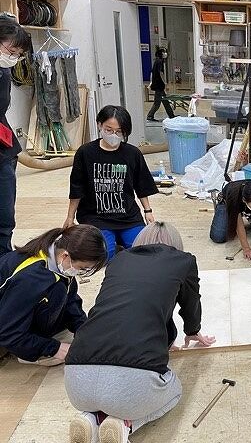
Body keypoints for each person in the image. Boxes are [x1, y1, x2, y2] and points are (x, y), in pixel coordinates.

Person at [65, 222, 214, 443]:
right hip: (133, 381)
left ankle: (90, 418)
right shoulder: (184, 261)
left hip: (76, 380)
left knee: (107, 393)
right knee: (174, 391)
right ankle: (126, 425)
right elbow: (191, 302)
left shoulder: (119, 260)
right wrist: (193, 330)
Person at [0, 225, 107, 366]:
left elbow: (70, 299)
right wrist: (54, 348)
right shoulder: (30, 278)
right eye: (82, 268)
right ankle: (22, 349)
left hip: (12, 315)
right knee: (68, 352)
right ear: (65, 256)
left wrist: (82, 328)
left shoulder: (57, 256)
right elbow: (7, 332)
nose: (81, 273)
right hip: (6, 330)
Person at [64, 105, 159, 260]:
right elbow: (77, 187)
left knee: (141, 251)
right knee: (104, 255)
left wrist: (148, 211)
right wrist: (70, 217)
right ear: (99, 125)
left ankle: (120, 242)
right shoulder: (85, 152)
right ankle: (114, 245)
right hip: (95, 217)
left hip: (128, 216)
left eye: (119, 131)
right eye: (108, 130)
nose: (113, 135)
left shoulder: (132, 153)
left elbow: (141, 185)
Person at [0, 14, 30, 257]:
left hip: (4, 151)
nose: (13, 57)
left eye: (17, 54)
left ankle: (3, 262)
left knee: (4, 216)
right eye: (11, 51)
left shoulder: (4, 72)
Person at [146, 47, 175, 122]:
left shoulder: (157, 61)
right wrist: (165, 82)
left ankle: (171, 115)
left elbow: (152, 73)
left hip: (158, 85)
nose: (165, 53)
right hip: (159, 85)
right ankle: (150, 116)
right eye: (164, 52)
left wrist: (151, 82)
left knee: (165, 101)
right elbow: (161, 73)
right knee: (157, 103)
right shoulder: (159, 61)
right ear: (161, 53)